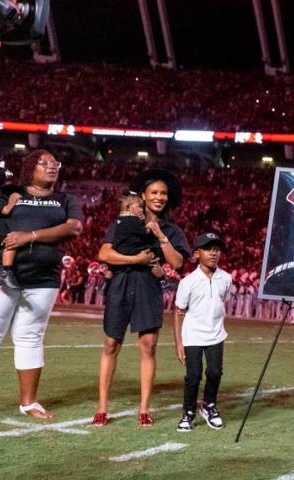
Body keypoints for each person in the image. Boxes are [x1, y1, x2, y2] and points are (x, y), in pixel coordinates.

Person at [94, 168, 190, 427]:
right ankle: (102, 408)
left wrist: (160, 235)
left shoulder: (171, 229)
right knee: (111, 344)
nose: (159, 197)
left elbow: (178, 262)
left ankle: (144, 409)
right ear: (144, 196)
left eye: (164, 193)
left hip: (148, 287)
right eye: (154, 192)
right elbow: (104, 253)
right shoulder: (123, 222)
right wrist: (135, 259)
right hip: (121, 285)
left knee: (148, 346)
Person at [0, 150, 84, 419]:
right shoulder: (13, 192)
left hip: (44, 278)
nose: (51, 167)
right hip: (3, 275)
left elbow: (74, 228)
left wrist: (29, 236)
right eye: (43, 163)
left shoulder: (66, 200)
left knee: (30, 337)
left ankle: (29, 402)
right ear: (29, 168)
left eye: (55, 163)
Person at [174, 232, 232, 432]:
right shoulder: (188, 282)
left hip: (216, 334)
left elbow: (221, 300)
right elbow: (179, 312)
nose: (214, 253)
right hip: (192, 335)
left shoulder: (226, 278)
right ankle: (188, 413)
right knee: (193, 376)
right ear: (196, 253)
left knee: (215, 372)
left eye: (217, 249)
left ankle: (209, 406)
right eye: (208, 249)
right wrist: (179, 342)